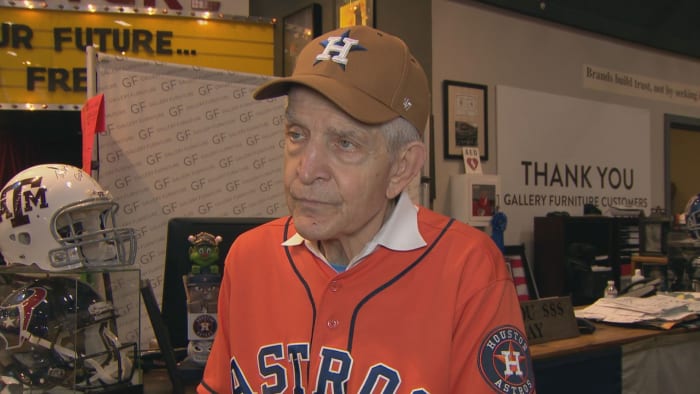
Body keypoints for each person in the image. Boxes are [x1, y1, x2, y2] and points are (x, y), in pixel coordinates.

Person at [199, 25, 534, 393]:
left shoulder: (469, 270)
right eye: (297, 134)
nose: (306, 170)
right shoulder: (248, 259)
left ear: (401, 168)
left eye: (344, 143)